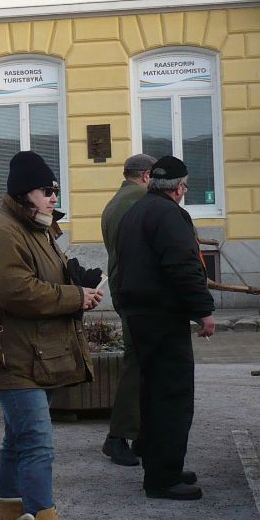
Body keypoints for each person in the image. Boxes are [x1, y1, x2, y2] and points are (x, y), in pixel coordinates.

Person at [0, 150, 101, 520]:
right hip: (10, 358)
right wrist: (74, 297)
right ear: (25, 194)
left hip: (25, 355)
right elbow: (16, 292)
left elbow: (41, 278)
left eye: (54, 190)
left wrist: (77, 283)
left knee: (18, 439)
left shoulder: (36, 228)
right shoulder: (1, 233)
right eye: (47, 190)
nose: (52, 197)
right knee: (37, 441)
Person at [113, 155, 215, 501]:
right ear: (180, 188)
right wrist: (204, 311)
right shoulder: (172, 215)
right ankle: (164, 478)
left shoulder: (136, 212)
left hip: (139, 315)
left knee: (152, 395)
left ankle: (160, 466)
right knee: (172, 398)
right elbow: (183, 266)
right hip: (162, 318)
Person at [98, 152, 156, 467]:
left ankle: (135, 433)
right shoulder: (138, 203)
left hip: (126, 288)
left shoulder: (117, 201)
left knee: (140, 360)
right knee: (137, 362)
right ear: (147, 175)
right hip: (136, 291)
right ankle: (118, 436)